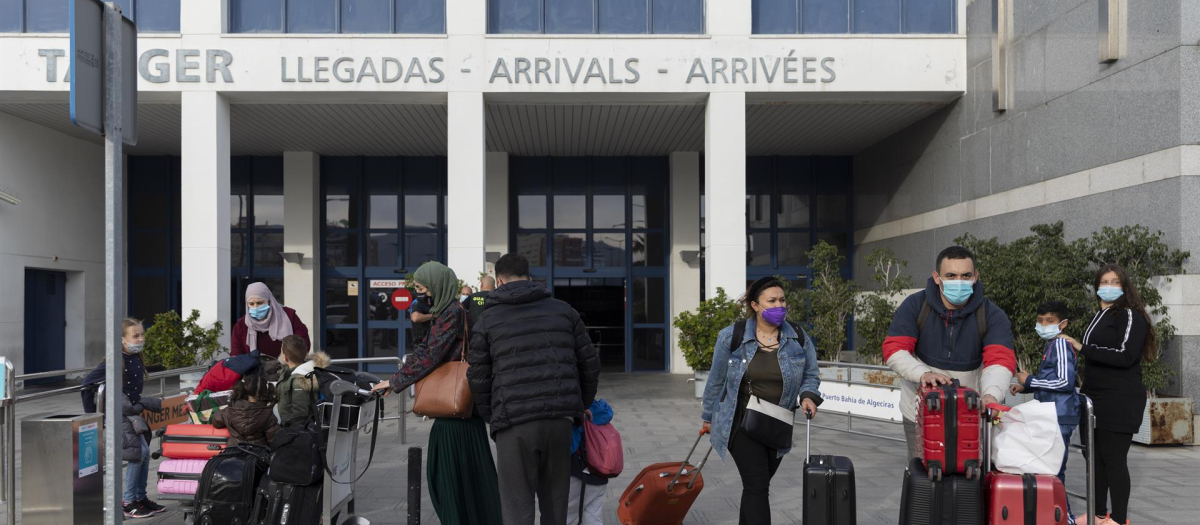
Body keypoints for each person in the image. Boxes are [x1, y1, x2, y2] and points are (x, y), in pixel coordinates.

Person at [465, 253, 601, 525]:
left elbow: (477, 375)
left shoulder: (488, 320)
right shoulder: (564, 310)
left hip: (513, 423)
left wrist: (493, 416)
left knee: (517, 506)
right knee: (555, 503)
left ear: (499, 281)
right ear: (529, 277)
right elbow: (590, 362)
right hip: (559, 421)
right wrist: (581, 403)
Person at [369, 262, 503, 524]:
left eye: (423, 289)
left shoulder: (451, 313)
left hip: (454, 413)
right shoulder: (448, 311)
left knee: (445, 478)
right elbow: (424, 351)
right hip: (462, 411)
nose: (421, 295)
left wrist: (395, 382)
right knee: (463, 478)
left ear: (437, 286)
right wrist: (394, 380)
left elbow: (430, 355)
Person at [699, 276, 822, 525]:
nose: (779, 306)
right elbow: (715, 380)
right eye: (772, 301)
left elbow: (811, 373)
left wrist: (808, 396)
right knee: (757, 486)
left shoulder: (797, 337)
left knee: (756, 486)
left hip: (778, 424)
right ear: (755, 305)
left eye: (782, 299)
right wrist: (708, 417)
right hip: (742, 422)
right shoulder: (731, 337)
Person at [883, 245, 1016, 460]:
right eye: (951, 275)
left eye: (966, 275)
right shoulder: (915, 306)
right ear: (937, 277)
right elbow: (894, 349)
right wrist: (923, 374)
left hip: (971, 412)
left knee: (969, 478)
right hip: (920, 412)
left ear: (975, 277)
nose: (959, 281)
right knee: (924, 478)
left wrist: (991, 394)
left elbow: (999, 360)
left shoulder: (992, 314)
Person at [1057, 264, 1152, 525]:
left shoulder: (1130, 315)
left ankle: (1119, 520)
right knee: (1094, 460)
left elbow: (1126, 356)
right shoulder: (1100, 315)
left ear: (1124, 287)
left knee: (1113, 459)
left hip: (1120, 399)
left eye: (1115, 282)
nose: (1108, 286)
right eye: (1104, 281)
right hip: (1094, 399)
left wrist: (1081, 347)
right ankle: (1099, 514)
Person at [82, 318, 166, 519]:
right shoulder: (114, 361)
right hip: (118, 416)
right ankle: (129, 501)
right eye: (135, 336)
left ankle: (139, 497)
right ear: (122, 339)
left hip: (131, 415)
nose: (140, 339)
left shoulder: (136, 358)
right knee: (138, 453)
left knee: (144, 452)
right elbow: (86, 384)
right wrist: (92, 416)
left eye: (141, 334)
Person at [1010, 300, 1079, 525]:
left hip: (1058, 415)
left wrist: (1030, 379)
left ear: (1063, 324)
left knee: (1054, 472)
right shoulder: (1051, 344)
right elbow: (1051, 379)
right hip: (1053, 414)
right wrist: (1027, 385)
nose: (1043, 325)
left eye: (1049, 321)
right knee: (1050, 470)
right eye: (1040, 321)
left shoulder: (1059, 344)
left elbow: (1065, 382)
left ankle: (1065, 519)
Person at [230, 282, 310, 358]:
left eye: (260, 303)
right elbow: (236, 356)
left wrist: (288, 362)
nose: (255, 307)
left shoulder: (288, 316)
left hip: (287, 369)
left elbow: (303, 344)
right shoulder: (241, 326)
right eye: (251, 304)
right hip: (253, 371)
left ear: (269, 302)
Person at [567, 399, 613, 525]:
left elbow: (570, 447)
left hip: (576, 474)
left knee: (567, 517)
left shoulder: (573, 410)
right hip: (599, 472)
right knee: (592, 515)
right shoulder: (599, 408)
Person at [212, 373, 280, 447]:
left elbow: (216, 422)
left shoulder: (230, 409)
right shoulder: (268, 414)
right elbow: (274, 440)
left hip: (234, 450)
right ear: (265, 391)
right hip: (258, 452)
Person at [275, 335, 331, 424]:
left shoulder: (300, 380)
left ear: (285, 358)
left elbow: (300, 414)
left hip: (296, 431)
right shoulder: (289, 372)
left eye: (281, 351)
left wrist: (289, 432)